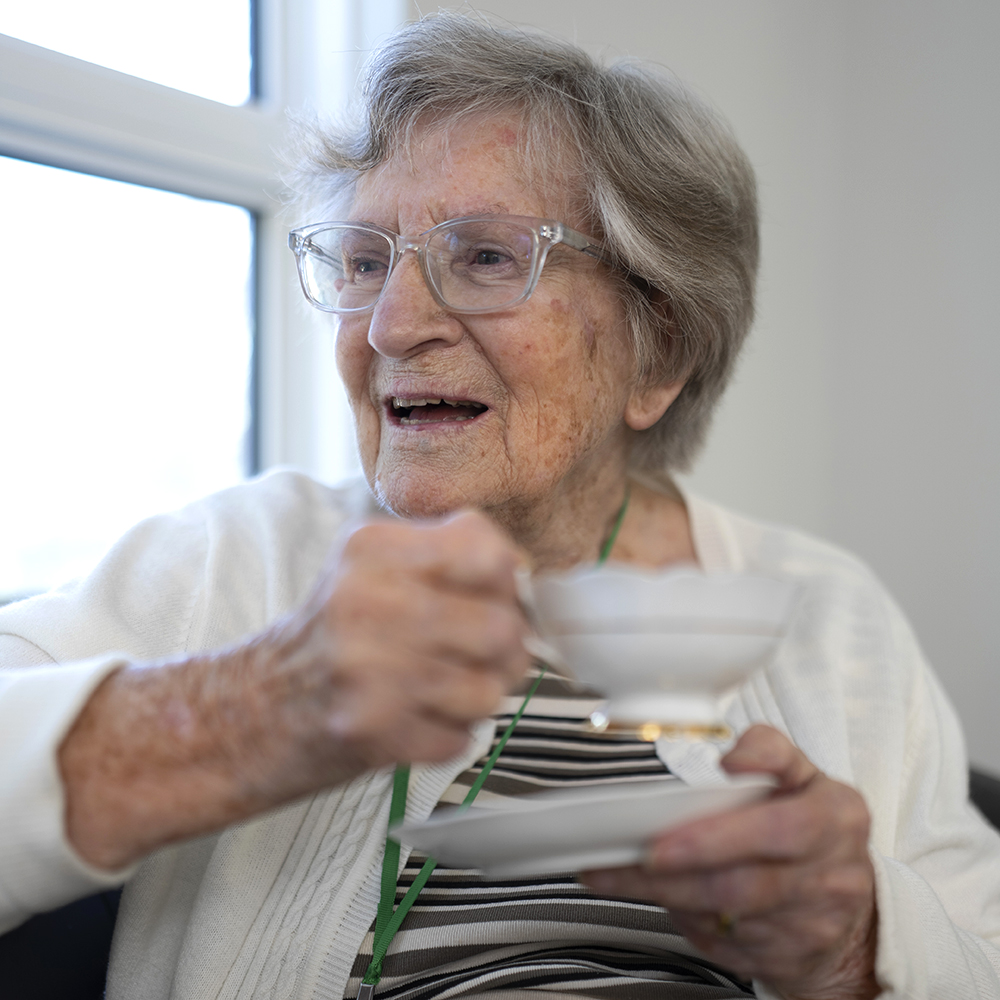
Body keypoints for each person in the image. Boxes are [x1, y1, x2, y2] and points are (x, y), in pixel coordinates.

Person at [1, 12, 999, 999]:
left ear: (660, 350)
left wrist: (853, 943)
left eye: (485, 256)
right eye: (364, 260)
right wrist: (249, 707)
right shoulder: (244, 560)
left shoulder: (825, 614)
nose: (390, 325)